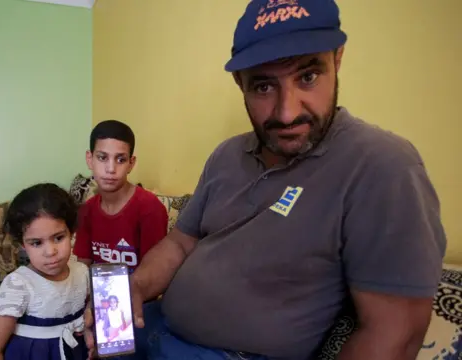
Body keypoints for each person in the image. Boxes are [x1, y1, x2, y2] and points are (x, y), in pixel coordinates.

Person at [83, 0, 447, 359]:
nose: (287, 113)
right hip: (155, 327)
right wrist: (135, 287)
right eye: (262, 87)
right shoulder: (226, 155)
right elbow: (180, 243)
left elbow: (394, 336)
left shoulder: (383, 167)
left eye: (308, 76)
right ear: (240, 83)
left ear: (337, 59)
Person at [0, 183, 89, 360]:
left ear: (72, 233)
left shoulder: (81, 272)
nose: (50, 252)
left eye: (59, 238)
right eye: (36, 243)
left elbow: (86, 309)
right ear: (23, 244)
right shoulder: (18, 286)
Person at [73, 120, 169, 272]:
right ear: (89, 159)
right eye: (102, 157)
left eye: (120, 160)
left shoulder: (150, 208)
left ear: (131, 164)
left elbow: (153, 273)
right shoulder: (87, 211)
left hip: (139, 293)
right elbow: (83, 268)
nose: (111, 169)